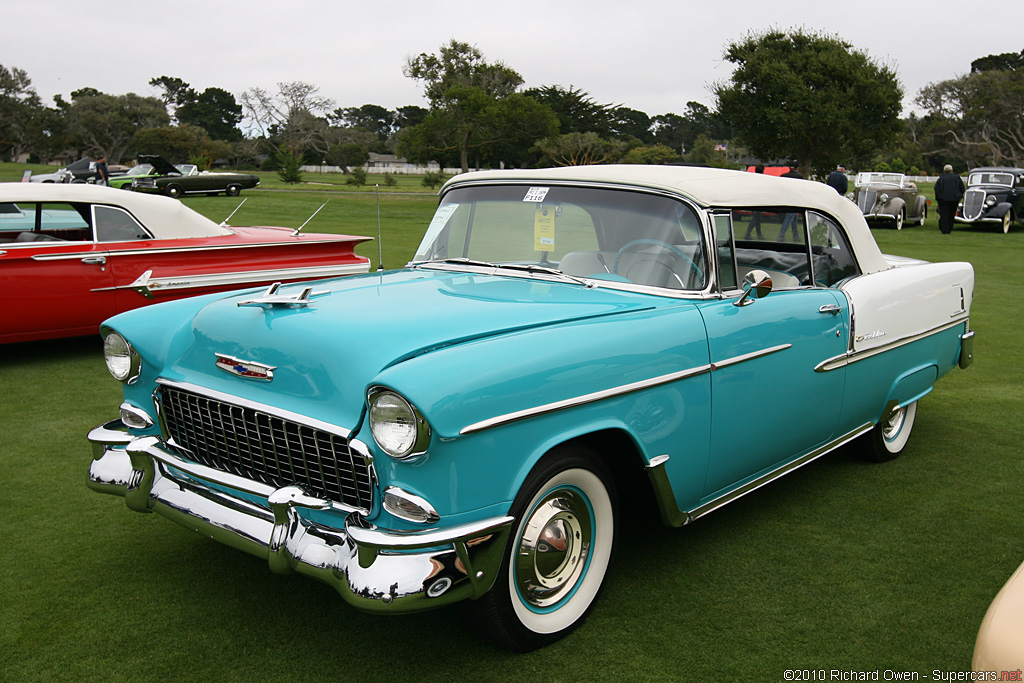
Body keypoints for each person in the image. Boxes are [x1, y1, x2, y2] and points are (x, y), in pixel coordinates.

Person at [934, 164, 965, 235]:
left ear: (944, 171)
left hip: (943, 199)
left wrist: (938, 198)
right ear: (952, 170)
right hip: (954, 199)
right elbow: (962, 188)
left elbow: (936, 189)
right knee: (951, 214)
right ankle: (950, 228)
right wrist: (959, 196)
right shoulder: (957, 178)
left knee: (944, 214)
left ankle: (944, 230)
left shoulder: (941, 178)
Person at [778, 165, 804, 240]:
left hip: (786, 199)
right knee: (790, 217)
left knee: (794, 217)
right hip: (795, 199)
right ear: (797, 168)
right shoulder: (799, 177)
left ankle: (796, 236)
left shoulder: (784, 176)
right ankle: (781, 235)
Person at [744, 165, 765, 239]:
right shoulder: (762, 179)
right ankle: (748, 234)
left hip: (753, 200)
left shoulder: (753, 178)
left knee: (757, 218)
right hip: (759, 201)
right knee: (756, 218)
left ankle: (759, 234)